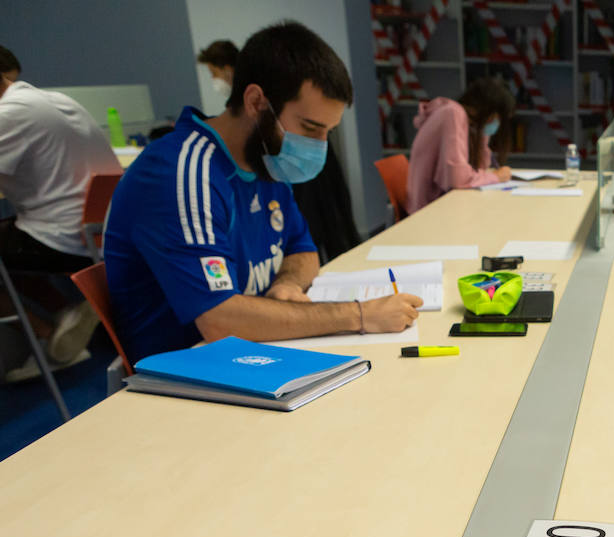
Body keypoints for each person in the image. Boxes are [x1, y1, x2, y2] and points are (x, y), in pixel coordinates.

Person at [104, 21, 419, 363]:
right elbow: (219, 319)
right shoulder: (182, 173)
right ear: (256, 101)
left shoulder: (267, 161)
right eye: (310, 128)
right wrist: (359, 315)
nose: (319, 146)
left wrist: (287, 283)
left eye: (328, 131)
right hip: (186, 372)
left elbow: (304, 251)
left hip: (255, 352)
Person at [0, 68, 118, 379]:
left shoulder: (8, 114)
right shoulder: (56, 100)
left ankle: (46, 334)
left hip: (61, 238)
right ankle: (64, 316)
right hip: (101, 232)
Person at [406, 76, 515, 212]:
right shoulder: (453, 114)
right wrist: (496, 177)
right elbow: (457, 178)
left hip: (443, 204)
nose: (496, 123)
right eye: (497, 117)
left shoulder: (464, 120)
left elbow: (481, 167)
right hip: (429, 210)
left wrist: (481, 134)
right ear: (487, 111)